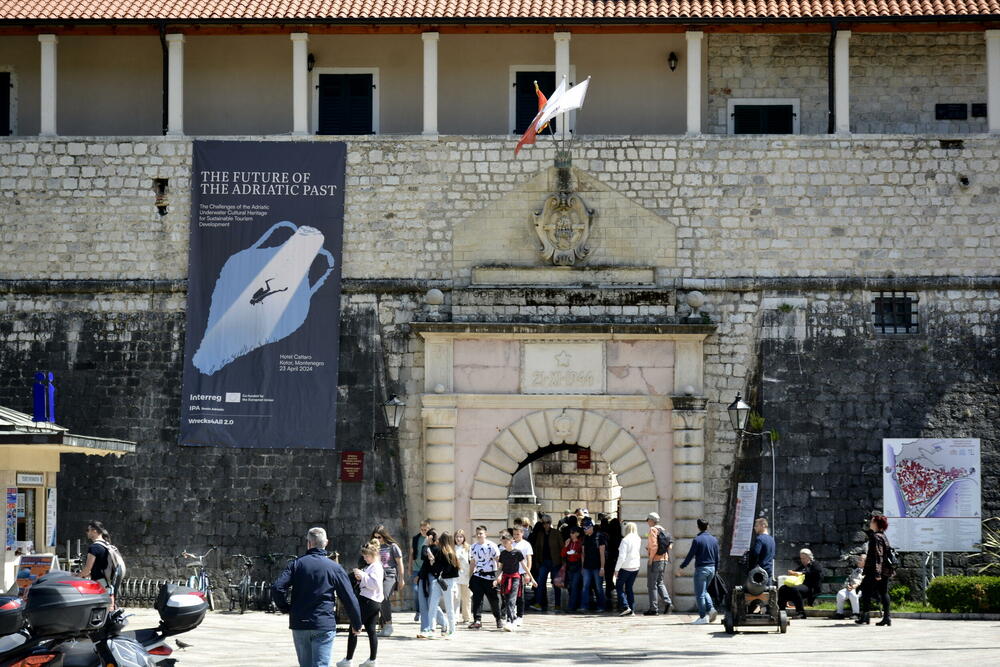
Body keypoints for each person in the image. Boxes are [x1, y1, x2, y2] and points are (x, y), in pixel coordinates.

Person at [272, 527, 363, 667]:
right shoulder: (334, 568)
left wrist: (286, 608)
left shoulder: (296, 564)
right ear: (326, 543)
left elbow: (277, 587)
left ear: (308, 543)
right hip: (323, 623)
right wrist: (356, 623)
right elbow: (349, 598)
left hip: (300, 622)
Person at [337, 540, 383, 667]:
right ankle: (372, 659)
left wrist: (362, 576)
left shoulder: (376, 566)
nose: (364, 558)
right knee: (371, 630)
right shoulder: (373, 566)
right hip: (374, 602)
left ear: (373, 555)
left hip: (368, 601)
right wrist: (361, 577)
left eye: (366, 556)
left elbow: (375, 585)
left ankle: (348, 659)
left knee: (354, 627)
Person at [679, 519, 720, 625]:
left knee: (700, 595)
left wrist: (682, 566)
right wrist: (716, 569)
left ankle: (702, 617)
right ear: (707, 526)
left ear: (698, 527)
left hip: (701, 569)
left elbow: (690, 555)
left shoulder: (697, 539)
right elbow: (717, 557)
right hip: (712, 569)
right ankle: (711, 609)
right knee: (705, 591)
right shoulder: (714, 540)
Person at [858, 515, 894, 627]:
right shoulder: (883, 536)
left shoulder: (876, 537)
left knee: (866, 591)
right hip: (884, 570)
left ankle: (865, 616)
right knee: (883, 592)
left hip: (875, 571)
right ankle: (886, 618)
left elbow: (878, 555)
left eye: (872, 521)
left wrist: (877, 573)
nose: (870, 522)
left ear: (876, 524)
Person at [371, 525, 404, 637]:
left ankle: (389, 625)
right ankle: (384, 625)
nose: (378, 540)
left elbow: (400, 564)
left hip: (390, 575)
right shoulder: (374, 547)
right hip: (378, 574)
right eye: (375, 537)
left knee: (384, 596)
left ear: (384, 536)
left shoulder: (393, 547)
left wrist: (401, 579)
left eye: (379, 537)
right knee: (378, 600)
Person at [468, 525, 502, 630]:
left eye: (481, 533)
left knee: (493, 600)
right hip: (478, 576)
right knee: (477, 599)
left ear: (485, 534)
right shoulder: (473, 547)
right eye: (477, 533)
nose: (479, 535)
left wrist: (499, 576)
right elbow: (472, 563)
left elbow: (499, 561)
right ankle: (477, 620)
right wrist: (470, 577)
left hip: (490, 576)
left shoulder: (491, 546)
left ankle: (498, 619)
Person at [415, 529, 448, 638]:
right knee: (423, 604)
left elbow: (430, 558)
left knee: (431, 603)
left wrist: (426, 545)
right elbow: (423, 556)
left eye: (428, 537)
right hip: (423, 577)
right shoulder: (427, 548)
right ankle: (425, 628)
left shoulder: (438, 549)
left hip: (433, 578)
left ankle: (443, 622)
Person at [528, 514, 563, 612]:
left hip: (555, 562)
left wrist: (562, 562)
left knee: (556, 584)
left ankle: (557, 605)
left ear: (550, 523)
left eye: (547, 523)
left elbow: (561, 547)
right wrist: (538, 561)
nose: (545, 525)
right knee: (540, 582)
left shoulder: (556, 533)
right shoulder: (540, 534)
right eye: (543, 523)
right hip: (544, 562)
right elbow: (537, 548)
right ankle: (539, 603)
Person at [777, 548, 823, 620]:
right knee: (783, 588)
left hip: (810, 588)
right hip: (800, 586)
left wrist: (802, 573)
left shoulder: (815, 564)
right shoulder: (802, 566)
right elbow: (796, 572)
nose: (802, 560)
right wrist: (792, 572)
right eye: (801, 558)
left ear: (809, 557)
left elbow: (816, 573)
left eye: (804, 558)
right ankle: (781, 611)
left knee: (795, 589)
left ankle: (801, 613)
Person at [495, 531, 527, 631]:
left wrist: (531, 578)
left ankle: (510, 621)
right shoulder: (503, 554)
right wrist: (497, 578)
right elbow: (500, 568)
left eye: (506, 541)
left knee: (512, 600)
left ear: (511, 541)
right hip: (505, 578)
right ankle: (511, 618)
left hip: (515, 578)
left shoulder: (517, 552)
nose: (504, 544)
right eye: (502, 542)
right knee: (507, 599)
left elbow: (524, 566)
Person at [79, 520, 115, 606]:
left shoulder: (94, 547)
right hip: (108, 584)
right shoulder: (107, 545)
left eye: (88, 530)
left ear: (94, 531)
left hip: (99, 585)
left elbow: (87, 570)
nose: (86, 532)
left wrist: (76, 576)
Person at [644, 514, 673, 615]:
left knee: (652, 585)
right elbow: (670, 546)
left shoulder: (653, 530)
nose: (647, 522)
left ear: (652, 520)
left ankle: (653, 609)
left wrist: (651, 559)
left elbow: (654, 546)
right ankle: (668, 602)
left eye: (647, 520)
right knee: (659, 582)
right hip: (664, 559)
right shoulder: (663, 529)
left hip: (655, 560)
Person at [614, 522, 641, 616]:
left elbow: (622, 556)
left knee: (619, 587)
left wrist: (616, 569)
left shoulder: (625, 540)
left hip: (626, 567)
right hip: (635, 566)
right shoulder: (638, 539)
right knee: (629, 588)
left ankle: (626, 607)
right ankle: (631, 609)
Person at [437, 532, 461, 637]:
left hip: (446, 581)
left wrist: (439, 570)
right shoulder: (452, 553)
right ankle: (450, 628)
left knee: (449, 606)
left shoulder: (444, 553)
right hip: (452, 581)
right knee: (449, 606)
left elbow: (444, 569)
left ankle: (452, 629)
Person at [580, 518, 607, 612]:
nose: (584, 530)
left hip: (597, 566)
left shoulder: (599, 536)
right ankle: (584, 606)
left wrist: (602, 567)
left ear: (591, 527)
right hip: (587, 566)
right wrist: (582, 567)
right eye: (584, 528)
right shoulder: (585, 538)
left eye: (586, 528)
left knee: (598, 587)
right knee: (585, 586)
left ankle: (601, 606)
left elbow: (602, 553)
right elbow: (583, 554)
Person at [511, 524, 534, 626]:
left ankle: (520, 615)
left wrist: (527, 573)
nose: (515, 536)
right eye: (514, 534)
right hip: (510, 572)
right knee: (510, 595)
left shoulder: (526, 545)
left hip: (520, 573)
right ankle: (512, 614)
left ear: (522, 534)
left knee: (520, 595)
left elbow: (529, 559)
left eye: (517, 534)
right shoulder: (511, 544)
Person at [410, 520, 431, 622]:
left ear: (429, 529)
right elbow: (412, 554)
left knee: (427, 591)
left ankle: (425, 612)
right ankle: (418, 611)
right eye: (422, 530)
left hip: (427, 569)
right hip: (416, 568)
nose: (423, 531)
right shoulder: (415, 539)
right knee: (416, 590)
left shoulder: (431, 539)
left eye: (425, 530)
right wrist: (410, 567)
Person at [833, 554, 865, 619]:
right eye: (858, 559)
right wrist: (847, 585)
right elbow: (849, 578)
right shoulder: (855, 570)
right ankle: (840, 613)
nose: (858, 561)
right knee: (840, 594)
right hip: (850, 587)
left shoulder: (867, 570)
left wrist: (855, 586)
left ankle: (856, 613)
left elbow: (864, 580)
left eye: (860, 560)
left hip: (861, 589)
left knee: (853, 594)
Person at [561, 525, 585, 612]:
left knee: (574, 586)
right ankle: (575, 603)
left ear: (577, 534)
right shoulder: (569, 542)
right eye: (570, 533)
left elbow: (582, 555)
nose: (571, 534)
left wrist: (575, 554)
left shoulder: (580, 543)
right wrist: (565, 545)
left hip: (577, 566)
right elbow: (563, 554)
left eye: (573, 533)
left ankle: (571, 606)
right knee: (570, 586)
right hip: (570, 566)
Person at [453, 529, 472, 624]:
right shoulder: (452, 548)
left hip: (466, 576)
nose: (458, 539)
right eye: (457, 537)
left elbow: (471, 561)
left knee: (466, 598)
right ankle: (455, 617)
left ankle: (466, 617)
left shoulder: (468, 548)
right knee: (455, 597)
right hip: (455, 576)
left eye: (460, 537)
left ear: (464, 538)